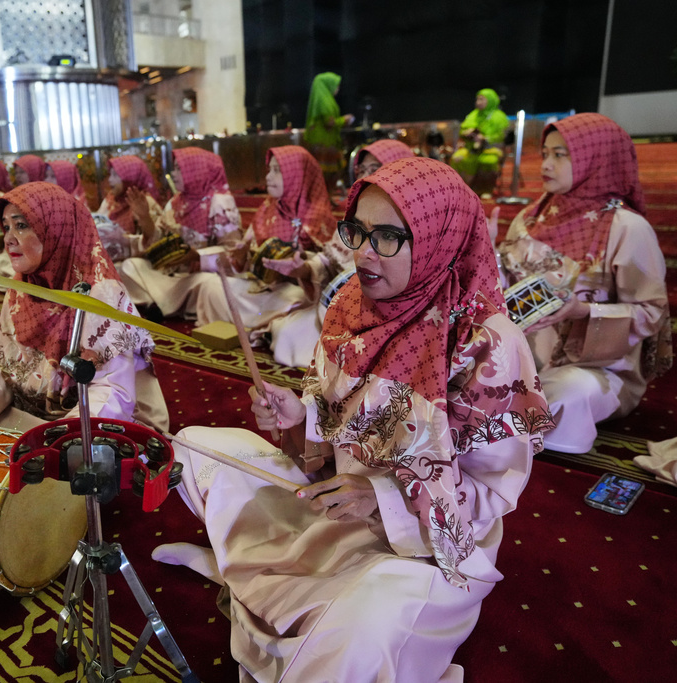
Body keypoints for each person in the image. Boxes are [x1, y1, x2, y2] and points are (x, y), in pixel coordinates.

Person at [154, 157, 552, 682]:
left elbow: (491, 493)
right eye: (357, 231)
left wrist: (382, 497)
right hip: (334, 500)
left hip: (422, 550)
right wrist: (297, 418)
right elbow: (327, 427)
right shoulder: (349, 304)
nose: (363, 251)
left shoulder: (487, 343)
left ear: (437, 238)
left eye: (388, 236)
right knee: (193, 446)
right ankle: (263, 572)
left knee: (357, 634)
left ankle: (264, 575)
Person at [497, 112, 671, 454]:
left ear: (598, 157)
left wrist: (582, 311)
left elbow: (652, 312)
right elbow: (506, 283)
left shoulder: (627, 228)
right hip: (522, 353)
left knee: (567, 395)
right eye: (545, 153)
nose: (546, 163)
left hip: (594, 366)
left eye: (561, 154)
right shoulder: (531, 217)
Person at [0, 182, 168, 433]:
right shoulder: (20, 287)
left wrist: (62, 436)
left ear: (57, 229)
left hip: (93, 423)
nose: (9, 239)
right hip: (38, 418)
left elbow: (113, 393)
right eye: (6, 227)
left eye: (21, 225)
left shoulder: (101, 293)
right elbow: (10, 371)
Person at [266, 139, 417, 367]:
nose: (366, 176)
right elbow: (328, 260)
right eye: (362, 170)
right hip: (342, 307)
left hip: (392, 313)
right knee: (287, 334)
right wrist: (300, 268)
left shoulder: (415, 221)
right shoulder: (357, 215)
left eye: (374, 168)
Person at [193, 145, 349, 338]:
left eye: (277, 171)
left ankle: (263, 328)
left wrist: (298, 269)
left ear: (297, 175)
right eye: (269, 170)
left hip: (291, 292)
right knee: (210, 288)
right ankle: (261, 327)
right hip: (260, 290)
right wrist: (241, 258)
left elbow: (329, 275)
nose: (268, 177)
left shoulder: (317, 219)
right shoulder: (266, 210)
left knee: (296, 301)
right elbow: (246, 264)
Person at [118, 147, 237, 319]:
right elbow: (161, 244)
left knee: (210, 285)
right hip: (171, 275)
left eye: (179, 169)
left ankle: (157, 301)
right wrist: (145, 219)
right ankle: (167, 303)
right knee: (131, 266)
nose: (173, 174)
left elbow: (233, 252)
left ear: (196, 170)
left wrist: (197, 256)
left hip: (198, 276)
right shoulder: (176, 202)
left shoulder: (220, 202)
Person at [93, 155, 164, 262]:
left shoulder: (143, 202)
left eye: (115, 175)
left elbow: (156, 242)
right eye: (110, 174)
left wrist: (144, 217)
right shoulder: (110, 200)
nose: (110, 180)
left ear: (131, 176)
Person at [450, 88, 511, 196]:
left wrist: (485, 138)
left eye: (482, 99)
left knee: (488, 161)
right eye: (477, 99)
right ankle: (462, 188)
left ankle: (485, 190)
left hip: (491, 150)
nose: (478, 102)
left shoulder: (499, 117)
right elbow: (462, 131)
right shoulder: (473, 115)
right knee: (457, 158)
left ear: (490, 100)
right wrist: (466, 133)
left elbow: (501, 136)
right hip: (471, 150)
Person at [304, 72, 354, 194]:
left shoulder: (327, 99)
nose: (337, 89)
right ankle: (323, 198)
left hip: (328, 141)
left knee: (330, 174)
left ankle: (327, 198)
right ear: (328, 85)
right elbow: (329, 122)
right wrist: (344, 120)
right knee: (325, 174)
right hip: (324, 142)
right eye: (336, 85)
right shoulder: (323, 100)